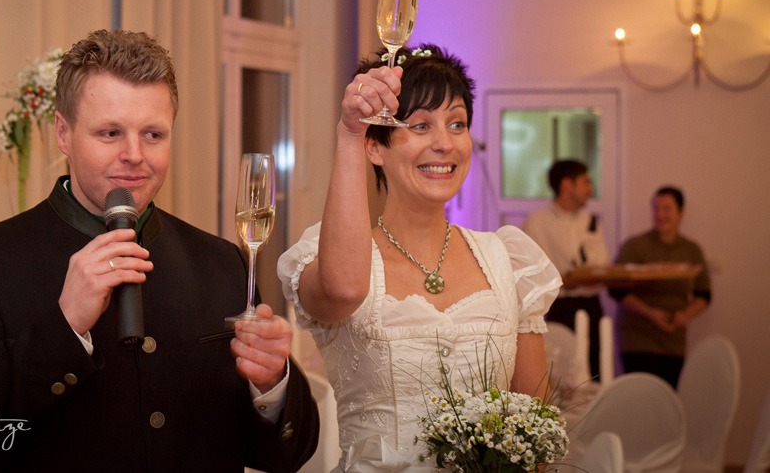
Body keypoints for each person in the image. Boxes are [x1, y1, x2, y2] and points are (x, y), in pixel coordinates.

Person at [0, 29, 319, 472]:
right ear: (63, 134)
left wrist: (272, 386)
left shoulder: (224, 264)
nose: (134, 155)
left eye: (153, 135)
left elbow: (287, 456)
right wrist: (63, 329)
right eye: (110, 133)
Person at [277, 45, 561, 471]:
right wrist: (351, 133)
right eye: (421, 125)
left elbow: (533, 430)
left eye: (457, 124)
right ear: (376, 147)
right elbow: (340, 291)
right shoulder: (333, 257)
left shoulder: (510, 261)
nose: (445, 144)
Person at [609, 186, 711, 388]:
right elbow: (615, 288)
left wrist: (685, 315)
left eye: (667, 209)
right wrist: (649, 312)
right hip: (638, 335)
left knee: (667, 398)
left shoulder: (692, 250)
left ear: (680, 213)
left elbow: (704, 294)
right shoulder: (636, 246)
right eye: (656, 209)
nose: (660, 215)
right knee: (640, 396)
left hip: (674, 339)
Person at [521, 159, 609, 378]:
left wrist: (573, 276)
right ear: (566, 186)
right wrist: (575, 277)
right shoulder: (537, 222)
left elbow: (600, 266)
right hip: (558, 306)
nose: (591, 189)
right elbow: (539, 273)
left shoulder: (590, 221)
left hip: (591, 305)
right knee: (560, 372)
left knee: (596, 367)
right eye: (586, 182)